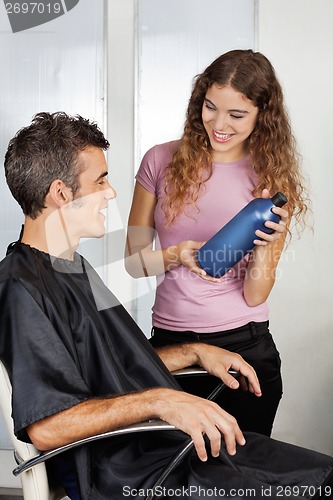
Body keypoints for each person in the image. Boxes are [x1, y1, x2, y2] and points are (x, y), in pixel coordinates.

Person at [0, 112, 332, 500]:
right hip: (129, 471)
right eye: (100, 180)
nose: (111, 193)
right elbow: (47, 427)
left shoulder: (70, 268)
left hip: (158, 449)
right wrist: (161, 400)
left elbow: (112, 362)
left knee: (320, 475)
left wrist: (193, 350)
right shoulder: (22, 287)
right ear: (61, 193)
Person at [126, 49, 308, 437]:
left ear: (263, 114)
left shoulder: (270, 182)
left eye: (237, 115)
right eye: (211, 107)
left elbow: (256, 296)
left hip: (243, 348)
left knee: (243, 479)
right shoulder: (159, 160)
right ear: (200, 102)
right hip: (170, 348)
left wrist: (263, 246)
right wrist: (175, 255)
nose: (219, 124)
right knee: (170, 478)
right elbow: (134, 263)